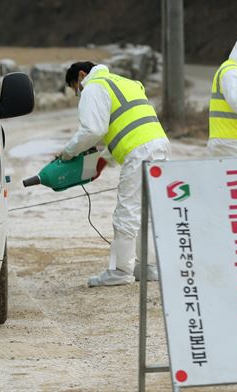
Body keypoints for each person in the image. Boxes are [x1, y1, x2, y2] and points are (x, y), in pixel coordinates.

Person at [58, 62, 171, 287]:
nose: (77, 93)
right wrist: (103, 160)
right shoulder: (126, 83)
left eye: (74, 87)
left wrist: (68, 153)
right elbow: (127, 127)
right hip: (160, 146)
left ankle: (121, 271)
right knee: (148, 210)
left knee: (127, 211)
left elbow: (93, 130)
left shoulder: (93, 86)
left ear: (81, 76)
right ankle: (148, 266)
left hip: (139, 152)